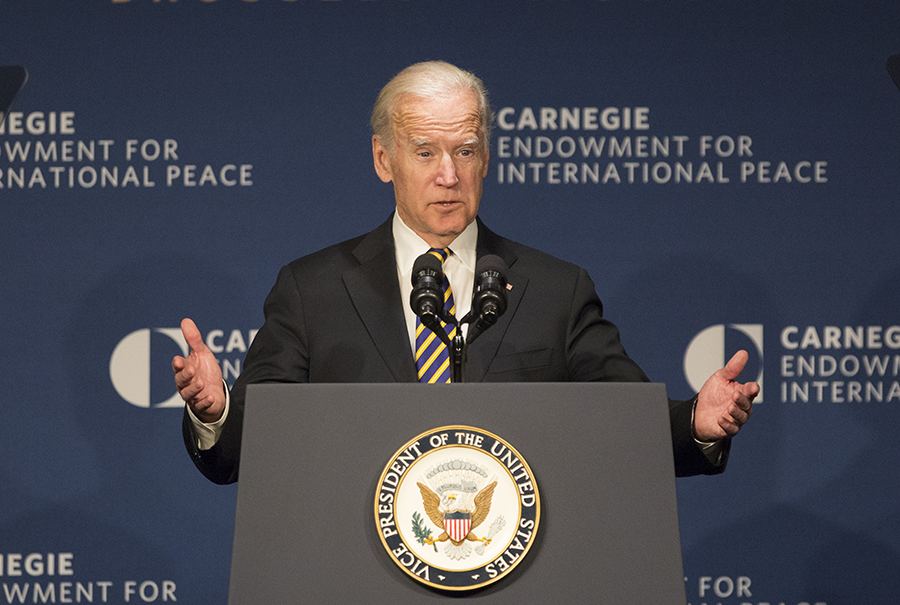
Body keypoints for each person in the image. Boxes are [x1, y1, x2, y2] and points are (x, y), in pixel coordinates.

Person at [174, 60, 757, 485]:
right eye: (425, 152)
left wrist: (696, 423)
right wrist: (215, 412)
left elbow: (624, 424)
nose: (449, 175)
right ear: (385, 159)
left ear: (487, 156)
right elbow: (246, 450)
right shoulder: (312, 290)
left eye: (467, 150)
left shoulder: (556, 290)